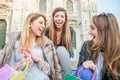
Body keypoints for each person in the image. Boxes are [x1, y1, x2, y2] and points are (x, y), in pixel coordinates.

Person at [0, 13, 62, 80]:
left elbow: (50, 72)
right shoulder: (14, 43)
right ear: (30, 24)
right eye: (41, 23)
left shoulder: (46, 44)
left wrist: (39, 60)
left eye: (44, 24)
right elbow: (9, 70)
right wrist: (23, 63)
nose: (44, 26)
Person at [77, 13, 120, 80]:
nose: (89, 32)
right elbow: (78, 74)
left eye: (92, 28)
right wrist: (84, 67)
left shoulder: (117, 55)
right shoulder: (87, 46)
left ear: (104, 31)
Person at [45, 7, 74, 74]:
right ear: (53, 18)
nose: (59, 19)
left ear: (65, 19)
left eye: (62, 16)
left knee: (60, 49)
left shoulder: (70, 30)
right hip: (51, 53)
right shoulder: (47, 30)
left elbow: (68, 47)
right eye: (56, 16)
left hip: (64, 52)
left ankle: (70, 76)